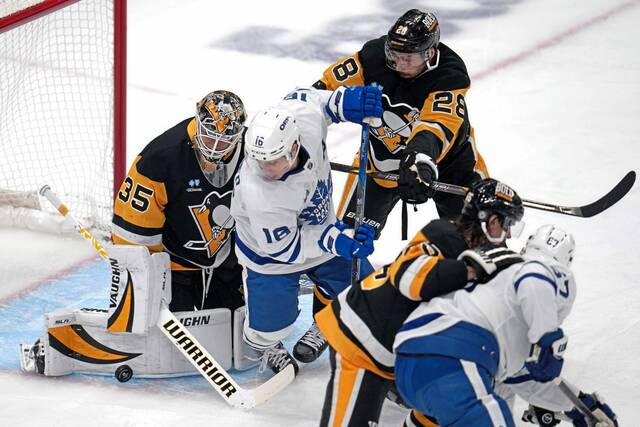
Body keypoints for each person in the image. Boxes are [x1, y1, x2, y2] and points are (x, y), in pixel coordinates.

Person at [315, 178, 525, 427]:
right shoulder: (444, 233)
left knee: (450, 394)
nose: (510, 234)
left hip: (405, 353)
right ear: (491, 222)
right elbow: (409, 279)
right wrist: (471, 270)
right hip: (361, 341)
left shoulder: (480, 255)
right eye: (508, 224)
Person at [393, 225, 619, 427]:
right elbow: (534, 276)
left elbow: (523, 379)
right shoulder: (546, 270)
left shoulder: (500, 274)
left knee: (478, 400)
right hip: (455, 358)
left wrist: (581, 407)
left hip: (410, 362)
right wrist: (546, 337)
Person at [230, 86, 382, 375]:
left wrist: (343, 103)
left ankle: (324, 322)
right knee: (271, 328)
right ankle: (265, 344)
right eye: (259, 159)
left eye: (273, 161)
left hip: (321, 234)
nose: (264, 168)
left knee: (364, 294)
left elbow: (313, 98)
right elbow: (288, 249)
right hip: (270, 257)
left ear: (294, 147)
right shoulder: (260, 194)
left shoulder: (303, 120)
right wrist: (337, 240)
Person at [313, 9, 489, 238]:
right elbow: (320, 93)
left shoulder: (450, 74)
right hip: (381, 160)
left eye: (409, 58)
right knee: (347, 238)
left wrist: (419, 161)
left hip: (451, 165)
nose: (399, 64)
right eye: (394, 55)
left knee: (476, 242)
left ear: (430, 53)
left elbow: (436, 125)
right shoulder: (371, 59)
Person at [112, 90, 247, 313]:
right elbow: (131, 233)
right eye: (209, 136)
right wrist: (144, 279)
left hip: (228, 262)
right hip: (172, 265)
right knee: (160, 336)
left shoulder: (252, 154)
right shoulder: (161, 158)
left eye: (223, 142)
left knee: (238, 330)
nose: (213, 147)